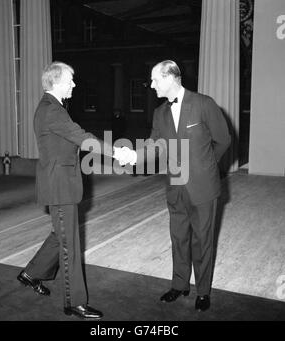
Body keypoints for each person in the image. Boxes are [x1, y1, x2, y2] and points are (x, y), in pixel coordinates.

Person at [116, 60, 231, 311]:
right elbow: (154, 144)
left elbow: (223, 140)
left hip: (203, 187)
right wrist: (134, 156)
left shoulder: (204, 104)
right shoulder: (159, 113)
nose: (152, 85)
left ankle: (203, 291)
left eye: (155, 80)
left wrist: (207, 166)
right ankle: (179, 285)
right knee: (178, 238)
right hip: (174, 185)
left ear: (170, 77)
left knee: (203, 240)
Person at [17, 61, 114, 319]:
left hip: (59, 183)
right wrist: (116, 152)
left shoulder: (51, 108)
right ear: (57, 81)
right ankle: (74, 302)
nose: (74, 84)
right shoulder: (53, 111)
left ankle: (31, 273)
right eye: (70, 80)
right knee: (69, 243)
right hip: (60, 185)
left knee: (60, 235)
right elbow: (81, 137)